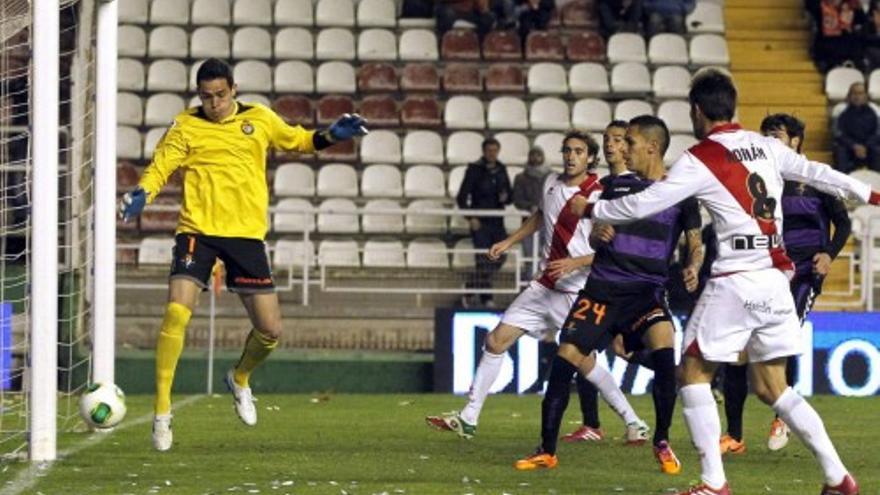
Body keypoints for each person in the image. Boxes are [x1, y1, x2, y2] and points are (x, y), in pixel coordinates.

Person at [587, 68, 876, 495]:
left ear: (697, 110)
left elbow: (645, 203)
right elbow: (819, 173)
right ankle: (838, 477)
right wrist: (872, 195)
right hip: (776, 280)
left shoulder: (701, 157)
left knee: (692, 372)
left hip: (735, 280)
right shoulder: (765, 147)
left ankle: (713, 483)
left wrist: (591, 209)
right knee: (772, 386)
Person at [118, 58, 368, 452]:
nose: (214, 103)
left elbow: (299, 141)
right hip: (197, 230)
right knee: (175, 311)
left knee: (271, 331)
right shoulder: (185, 125)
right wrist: (142, 194)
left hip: (246, 237)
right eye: (206, 96)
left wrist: (331, 135)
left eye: (220, 94)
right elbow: (159, 169)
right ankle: (162, 413)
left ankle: (239, 378)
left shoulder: (260, 119)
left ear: (234, 89)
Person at [426, 130, 650, 444]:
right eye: (567, 150)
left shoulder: (598, 192)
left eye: (578, 151)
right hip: (543, 285)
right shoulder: (550, 183)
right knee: (495, 341)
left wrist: (575, 263)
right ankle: (469, 417)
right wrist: (508, 241)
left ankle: (633, 420)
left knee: (585, 361)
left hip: (575, 290)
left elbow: (612, 248)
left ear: (590, 158)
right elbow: (540, 216)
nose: (571, 156)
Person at [515, 117, 703, 473]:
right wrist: (599, 234)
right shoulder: (614, 186)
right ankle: (547, 449)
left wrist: (693, 265)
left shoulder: (681, 192)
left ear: (651, 146)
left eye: (628, 143)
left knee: (665, 351)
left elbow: (695, 242)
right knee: (564, 359)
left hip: (647, 292)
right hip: (602, 289)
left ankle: (661, 440)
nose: (620, 149)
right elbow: (595, 230)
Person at [719, 114, 853, 456]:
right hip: (765, 270)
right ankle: (734, 436)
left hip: (806, 271)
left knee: (786, 332)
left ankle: (782, 416)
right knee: (740, 348)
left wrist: (828, 254)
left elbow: (843, 221)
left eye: (776, 135)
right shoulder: (759, 178)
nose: (769, 140)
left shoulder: (814, 177)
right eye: (765, 135)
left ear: (795, 141)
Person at [457, 137, 513, 308]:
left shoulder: (502, 169)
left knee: (500, 256)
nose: (492, 154)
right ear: (483, 151)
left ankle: (470, 288)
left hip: (497, 221)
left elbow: (510, 196)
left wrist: (506, 197)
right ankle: (486, 298)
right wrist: (470, 217)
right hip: (480, 222)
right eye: (489, 150)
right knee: (483, 259)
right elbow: (461, 197)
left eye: (495, 150)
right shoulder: (474, 169)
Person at [513, 146, 551, 277]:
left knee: (546, 257)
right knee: (529, 257)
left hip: (548, 223)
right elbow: (517, 200)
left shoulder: (553, 177)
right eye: (532, 155)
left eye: (538, 155)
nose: (535, 158)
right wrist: (530, 207)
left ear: (543, 157)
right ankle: (529, 290)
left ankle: (544, 291)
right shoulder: (520, 178)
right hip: (528, 223)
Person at [833, 82, 880, 173]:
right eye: (854, 93)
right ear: (849, 95)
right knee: (840, 151)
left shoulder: (874, 109)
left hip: (868, 146)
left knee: (877, 151)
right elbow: (837, 133)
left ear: (866, 95)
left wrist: (865, 146)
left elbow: (877, 132)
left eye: (861, 93)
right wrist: (854, 146)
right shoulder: (840, 109)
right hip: (848, 146)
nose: (857, 97)